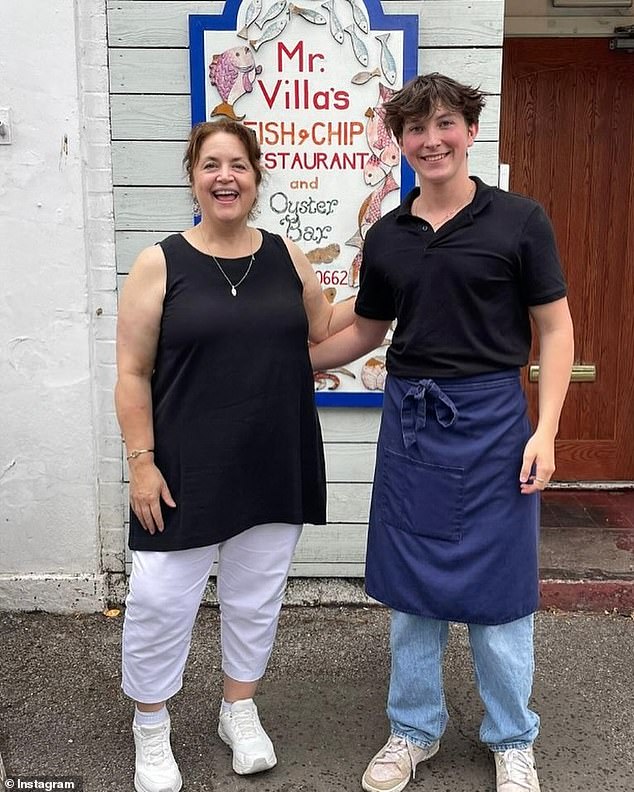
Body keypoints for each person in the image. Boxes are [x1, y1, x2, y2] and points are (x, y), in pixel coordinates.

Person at [310, 73, 574, 792]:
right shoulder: (388, 233)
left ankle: (513, 738)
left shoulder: (519, 219)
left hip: (494, 425)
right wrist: (285, 365)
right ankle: (412, 731)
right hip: (414, 427)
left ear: (470, 130)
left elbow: (554, 330)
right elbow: (366, 328)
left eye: (445, 124)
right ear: (400, 142)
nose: (432, 140)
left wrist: (545, 430)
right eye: (416, 129)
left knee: (501, 595)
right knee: (412, 591)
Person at [114, 118, 355, 792]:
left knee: (254, 599)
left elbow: (321, 331)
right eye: (211, 164)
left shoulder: (284, 255)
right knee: (161, 600)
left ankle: (238, 710)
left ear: (256, 177)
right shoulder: (160, 262)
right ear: (193, 175)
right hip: (184, 468)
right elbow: (131, 373)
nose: (225, 176)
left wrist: (394, 291)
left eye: (238, 165)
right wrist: (141, 461)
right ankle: (152, 729)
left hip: (272, 455)